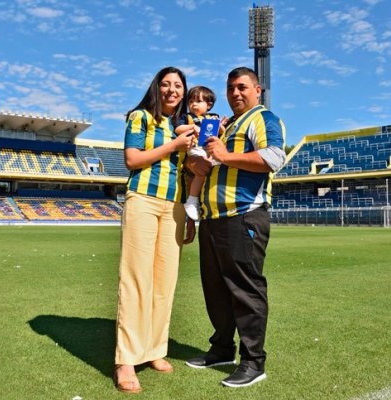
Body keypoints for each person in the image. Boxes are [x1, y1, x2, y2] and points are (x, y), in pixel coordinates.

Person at [185, 67, 286, 388]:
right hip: (213, 218)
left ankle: (254, 362)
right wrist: (199, 162)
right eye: (230, 88)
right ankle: (222, 349)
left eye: (242, 87)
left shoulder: (263, 118)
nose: (235, 93)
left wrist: (226, 156)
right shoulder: (226, 125)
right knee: (215, 289)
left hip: (244, 216)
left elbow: (274, 157)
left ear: (258, 90)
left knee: (245, 289)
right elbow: (210, 160)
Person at [115, 66, 196, 394]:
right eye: (166, 84)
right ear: (156, 88)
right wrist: (175, 144)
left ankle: (154, 350)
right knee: (136, 280)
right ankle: (126, 359)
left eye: (178, 86)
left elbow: (188, 173)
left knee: (165, 282)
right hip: (143, 200)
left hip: (174, 206)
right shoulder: (140, 118)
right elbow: (132, 160)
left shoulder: (185, 126)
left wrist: (190, 214)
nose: (172, 90)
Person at [175, 85, 226, 220]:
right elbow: (178, 129)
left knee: (220, 166)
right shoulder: (186, 117)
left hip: (210, 150)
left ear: (208, 105)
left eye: (198, 101)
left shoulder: (213, 117)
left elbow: (222, 132)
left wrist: (221, 126)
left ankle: (210, 198)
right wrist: (193, 127)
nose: (193, 104)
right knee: (201, 170)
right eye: (191, 101)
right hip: (196, 150)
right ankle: (192, 200)